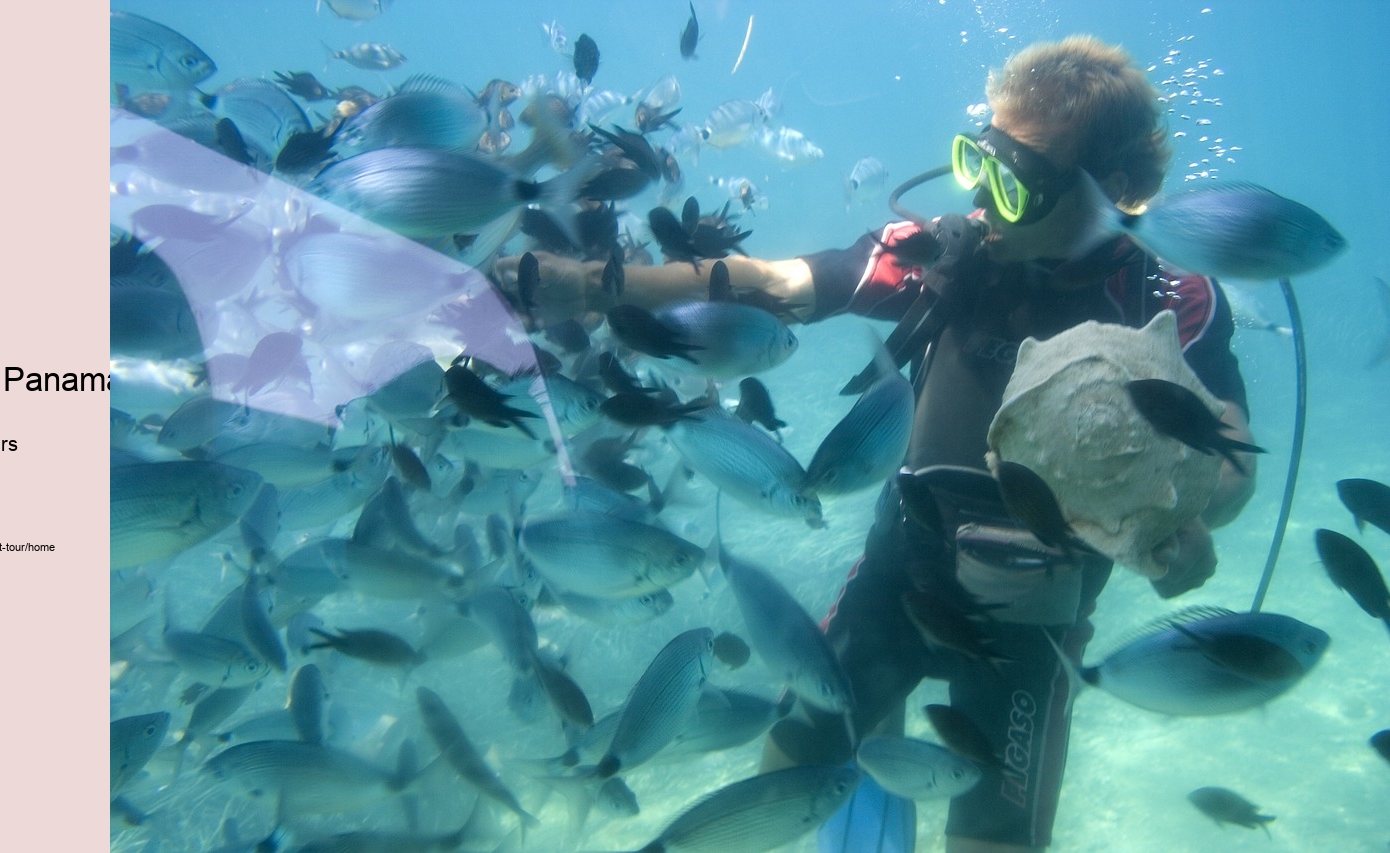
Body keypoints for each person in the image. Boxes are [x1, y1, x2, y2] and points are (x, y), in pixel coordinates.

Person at [498, 35, 1257, 853]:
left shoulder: (1165, 296)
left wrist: (1193, 519)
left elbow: (1232, 459)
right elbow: (782, 282)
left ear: (1115, 190)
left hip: (1033, 630)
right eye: (979, 163)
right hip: (896, 583)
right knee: (775, 789)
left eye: (1016, 180)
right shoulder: (950, 254)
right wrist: (599, 285)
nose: (987, 200)